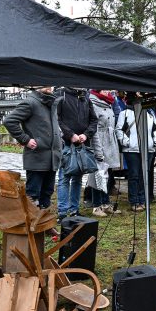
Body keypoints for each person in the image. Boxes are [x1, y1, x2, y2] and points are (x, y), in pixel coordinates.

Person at [3, 86, 62, 212]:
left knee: (47, 193)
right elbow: (9, 121)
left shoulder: (51, 102)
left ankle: (44, 225)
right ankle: (31, 227)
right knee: (33, 196)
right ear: (35, 86)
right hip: (37, 158)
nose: (49, 86)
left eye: (50, 84)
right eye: (44, 83)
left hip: (52, 159)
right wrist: (26, 139)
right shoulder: (30, 102)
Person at [55, 87, 98, 218]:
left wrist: (86, 135)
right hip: (66, 144)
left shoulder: (86, 97)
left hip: (82, 144)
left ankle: (74, 210)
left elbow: (93, 120)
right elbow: (57, 119)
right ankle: (62, 212)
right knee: (64, 178)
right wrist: (70, 135)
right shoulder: (60, 95)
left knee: (78, 179)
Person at [116, 96, 156, 213]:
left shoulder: (149, 113)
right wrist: (127, 142)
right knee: (134, 175)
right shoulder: (124, 113)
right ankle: (134, 201)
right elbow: (119, 130)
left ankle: (142, 199)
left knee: (143, 175)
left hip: (148, 148)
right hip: (132, 150)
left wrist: (154, 142)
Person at [87, 90, 122, 217]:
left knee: (107, 174)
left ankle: (106, 202)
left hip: (109, 141)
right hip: (99, 141)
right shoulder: (93, 103)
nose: (108, 92)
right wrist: (98, 149)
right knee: (98, 175)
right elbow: (94, 127)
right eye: (105, 89)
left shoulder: (109, 102)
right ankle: (96, 205)